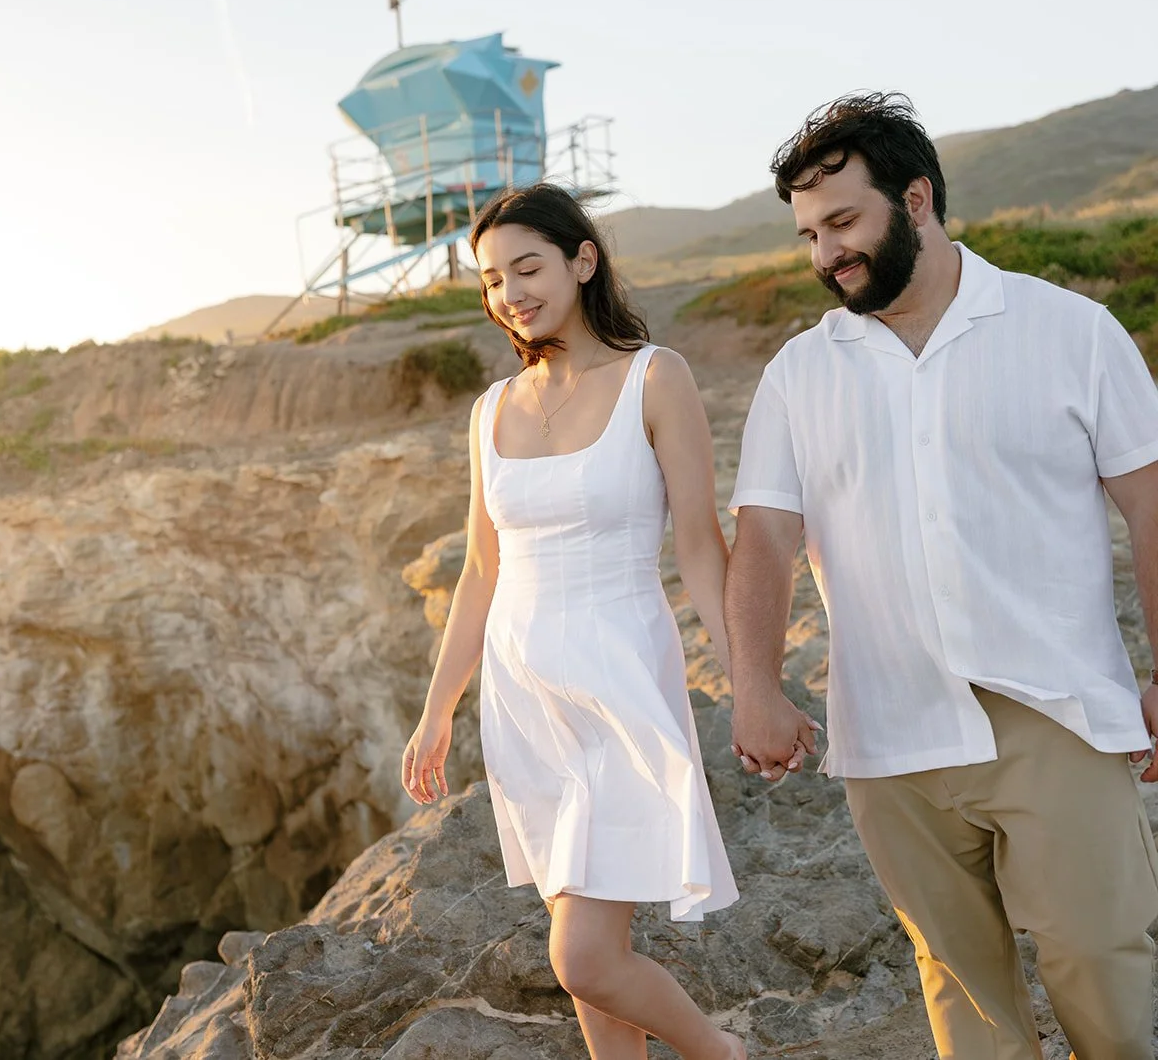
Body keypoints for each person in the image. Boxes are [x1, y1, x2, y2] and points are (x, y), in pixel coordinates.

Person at [725, 92, 1158, 1060]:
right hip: (891, 736)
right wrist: (755, 683)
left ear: (916, 199)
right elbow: (764, 538)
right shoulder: (798, 374)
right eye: (808, 234)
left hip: (1054, 711)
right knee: (963, 999)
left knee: (1103, 972)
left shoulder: (1072, 332)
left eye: (843, 222)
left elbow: (1150, 503)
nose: (825, 253)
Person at [400, 182, 744, 1060]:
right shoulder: (491, 409)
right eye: (491, 280)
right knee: (589, 950)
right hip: (523, 697)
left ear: (582, 260)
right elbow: (482, 570)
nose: (509, 293)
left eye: (527, 268)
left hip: (619, 678)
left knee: (582, 956)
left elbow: (702, 548)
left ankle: (723, 1053)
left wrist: (751, 684)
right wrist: (439, 709)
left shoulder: (654, 377)